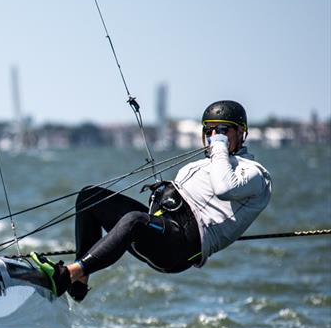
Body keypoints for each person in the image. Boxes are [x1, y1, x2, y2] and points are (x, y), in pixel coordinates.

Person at [31, 100, 272, 301]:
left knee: (134, 221)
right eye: (209, 130)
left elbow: (223, 187)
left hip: (183, 246)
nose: (214, 136)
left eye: (223, 130)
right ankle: (79, 280)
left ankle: (66, 275)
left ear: (242, 133)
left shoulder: (254, 174)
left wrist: (219, 148)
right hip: (164, 228)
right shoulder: (202, 164)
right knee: (90, 196)